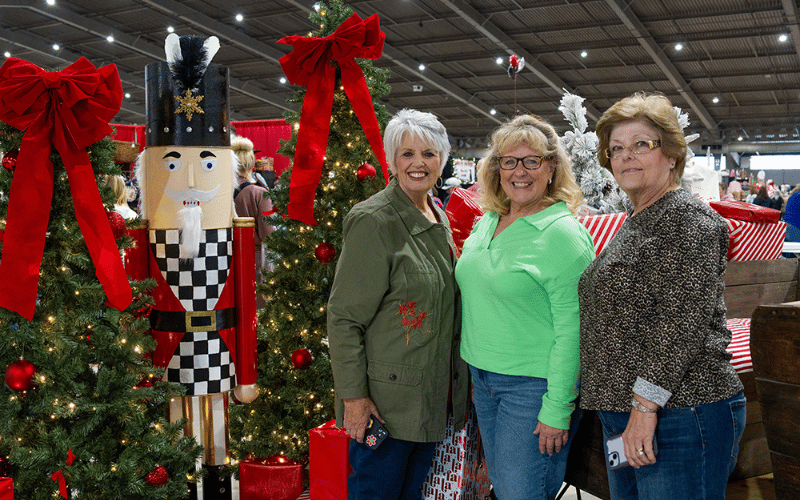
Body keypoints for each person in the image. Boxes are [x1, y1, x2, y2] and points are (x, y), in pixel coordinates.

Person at [579, 92, 746, 500]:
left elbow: (679, 326)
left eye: (641, 144)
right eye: (616, 148)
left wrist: (644, 408)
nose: (626, 156)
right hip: (627, 413)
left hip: (679, 416)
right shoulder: (639, 219)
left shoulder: (688, 221)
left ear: (671, 155)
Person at [327, 109, 469, 500]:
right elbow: (343, 319)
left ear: (443, 159)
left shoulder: (437, 214)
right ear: (391, 160)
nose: (418, 164)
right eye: (406, 154)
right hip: (384, 406)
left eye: (428, 153)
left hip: (429, 399)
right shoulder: (374, 220)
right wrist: (354, 399)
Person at [455, 114, 595, 500]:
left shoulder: (563, 235)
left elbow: (575, 330)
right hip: (483, 381)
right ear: (496, 169)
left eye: (532, 160)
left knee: (522, 493)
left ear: (551, 167)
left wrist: (557, 408)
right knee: (506, 488)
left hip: (532, 390)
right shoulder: (488, 221)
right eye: (509, 161)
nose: (520, 171)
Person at [232, 135, 276, 307]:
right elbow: (269, 235)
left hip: (223, 260)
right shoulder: (258, 193)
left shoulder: (219, 192)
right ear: (251, 164)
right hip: (252, 262)